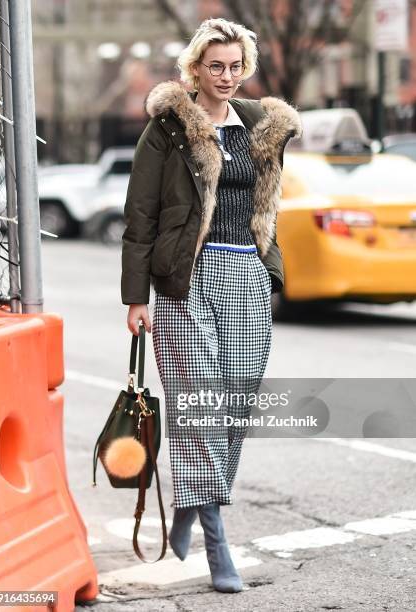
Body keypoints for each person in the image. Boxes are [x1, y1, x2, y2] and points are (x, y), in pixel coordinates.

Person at [121, 17, 302, 593]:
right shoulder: (168, 129)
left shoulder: (260, 129)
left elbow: (266, 208)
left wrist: (269, 272)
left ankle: (188, 505)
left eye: (235, 67)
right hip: (185, 280)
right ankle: (217, 535)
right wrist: (135, 296)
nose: (226, 77)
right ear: (194, 68)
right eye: (215, 66)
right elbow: (140, 216)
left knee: (236, 402)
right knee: (199, 400)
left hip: (245, 274)